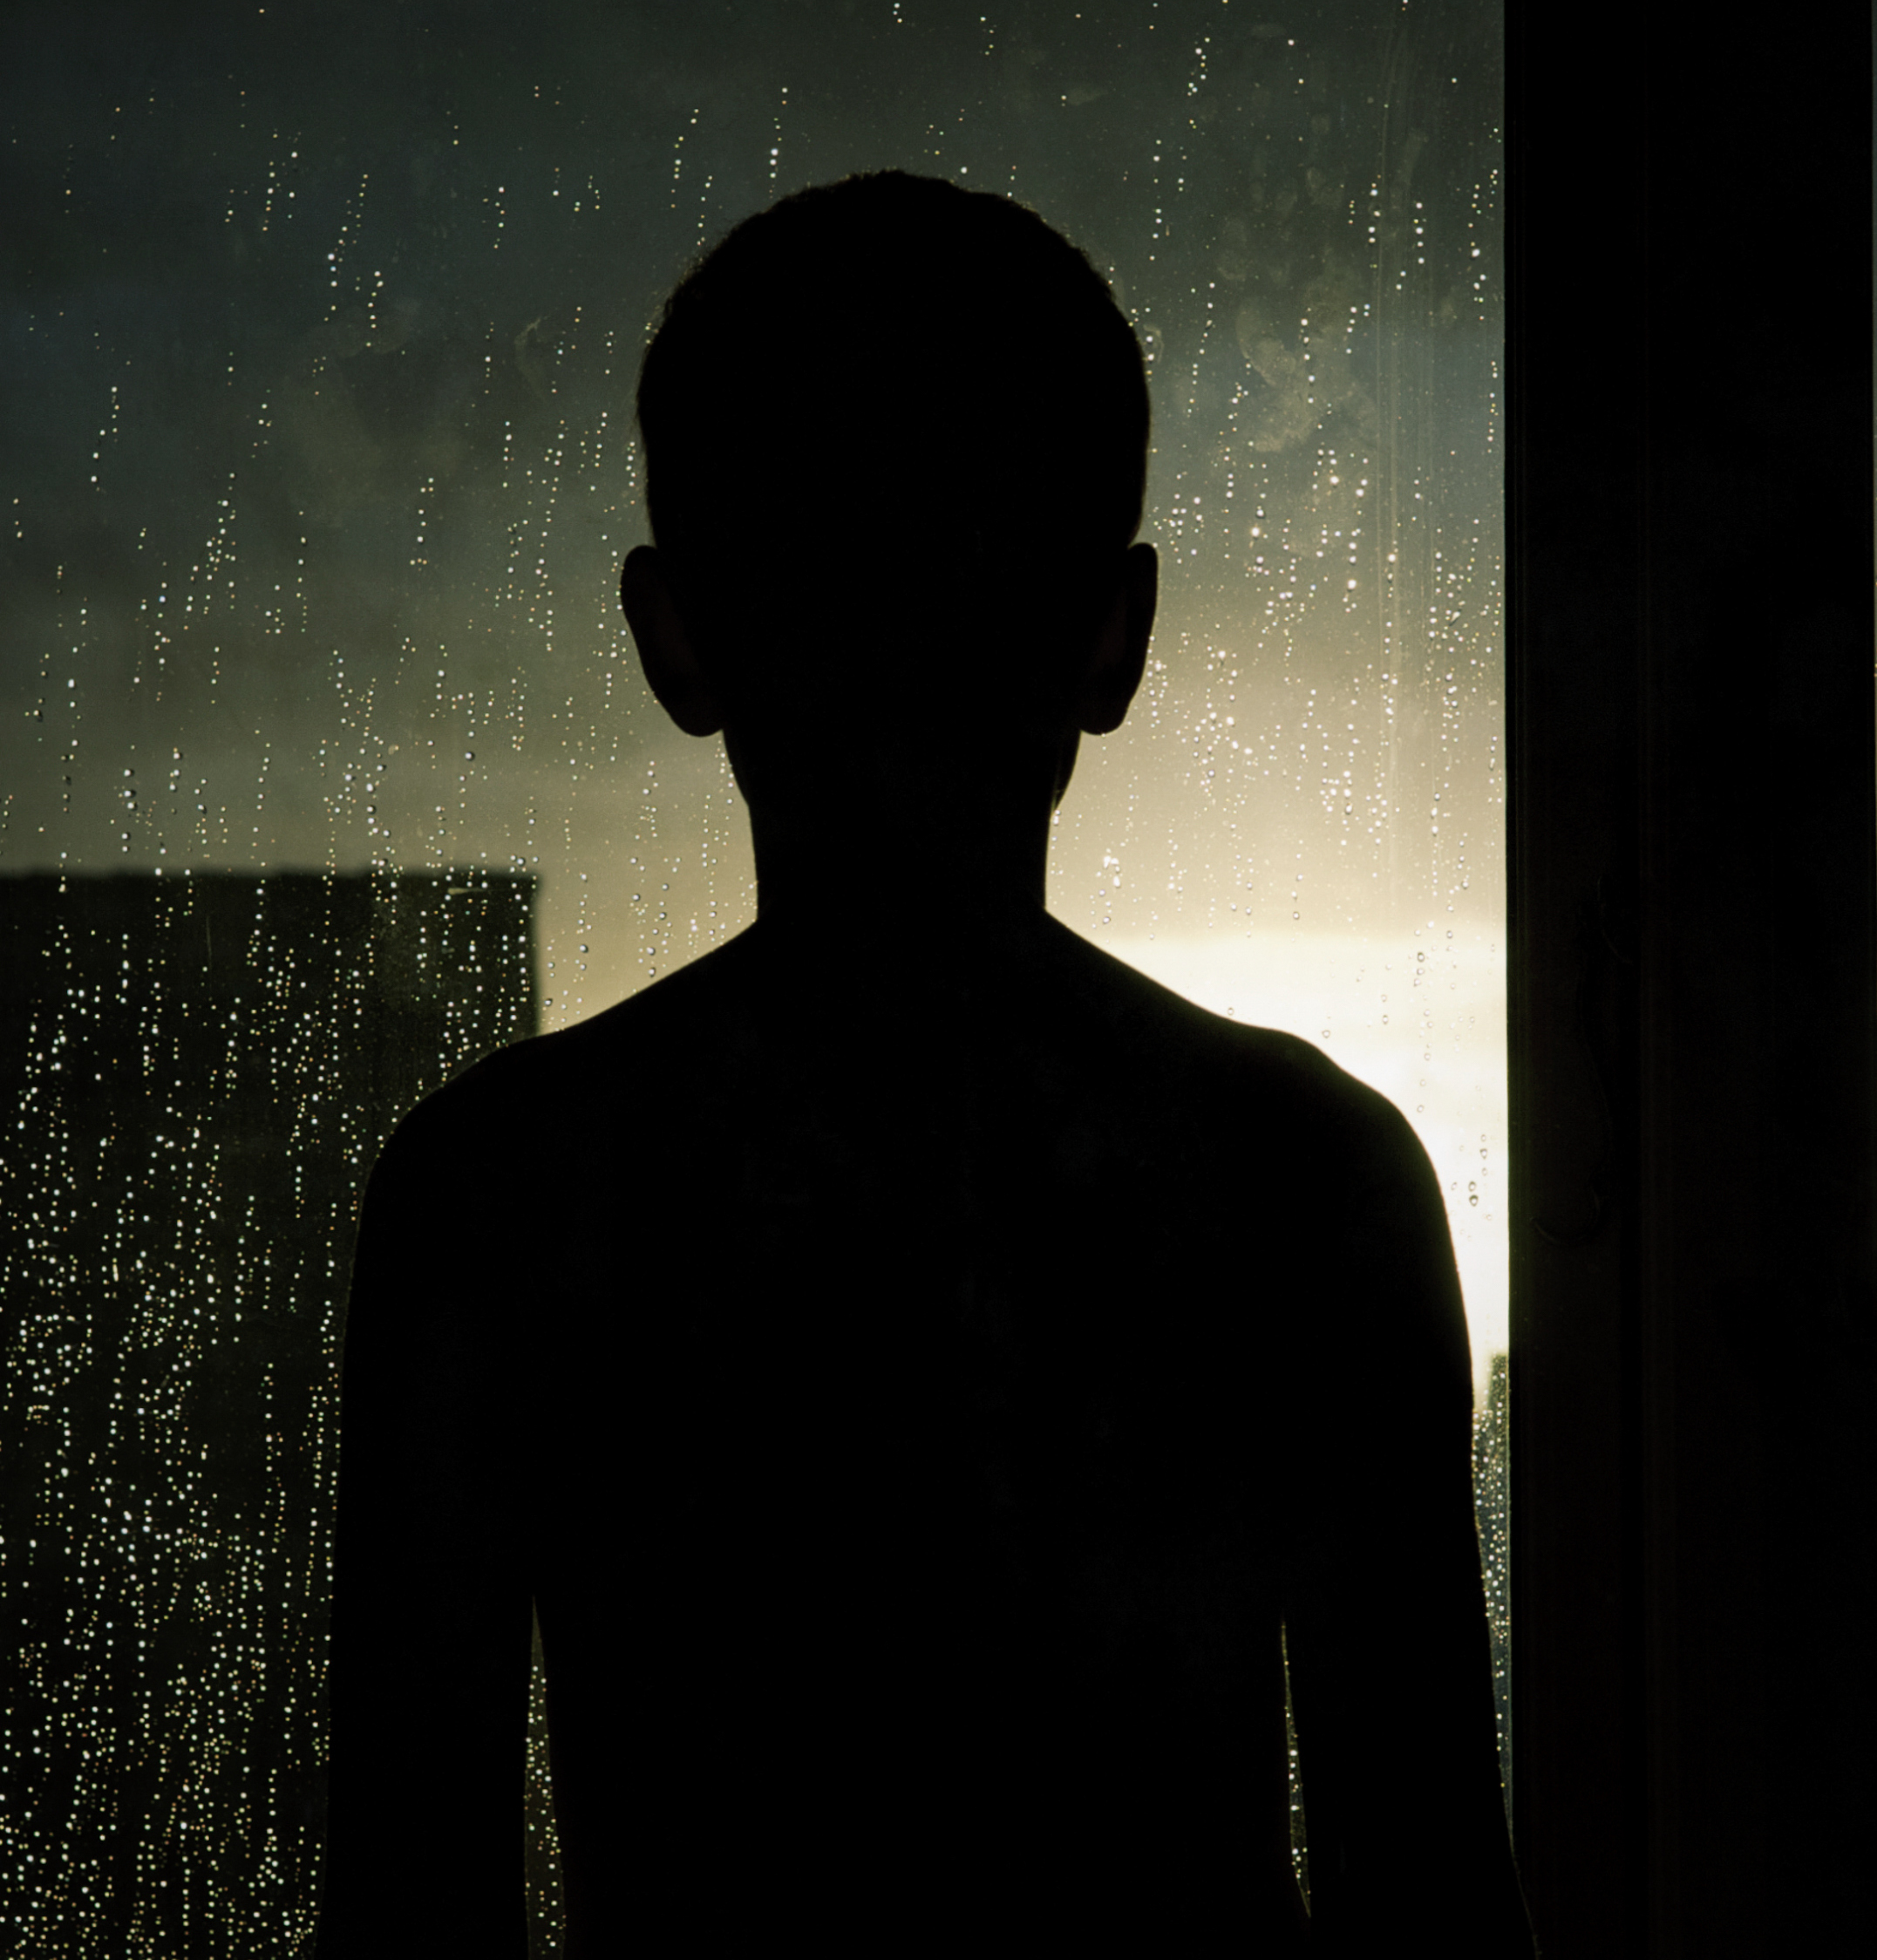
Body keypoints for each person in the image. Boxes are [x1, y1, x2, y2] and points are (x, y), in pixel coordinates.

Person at [322, 170, 1536, 1956]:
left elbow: (408, 1901)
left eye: (942, 566)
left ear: (679, 639)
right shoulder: (1298, 1180)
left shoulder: (507, 1199)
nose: (898, 635)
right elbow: (1425, 1890)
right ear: (1110, 638)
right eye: (851, 568)